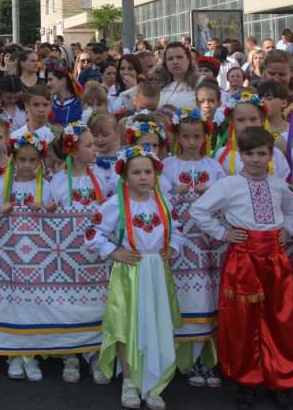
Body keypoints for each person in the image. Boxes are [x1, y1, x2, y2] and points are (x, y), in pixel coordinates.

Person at [190, 126, 293, 409]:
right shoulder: (229, 185)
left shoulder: (278, 185)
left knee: (279, 318)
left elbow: (292, 211)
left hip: (274, 260)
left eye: (261, 153)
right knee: (243, 321)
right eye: (249, 153)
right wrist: (224, 234)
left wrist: (287, 228)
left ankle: (279, 378)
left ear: (271, 156)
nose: (255, 159)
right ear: (241, 155)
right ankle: (246, 379)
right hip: (243, 260)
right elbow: (199, 210)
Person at [86, 146, 186, 410]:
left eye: (148, 172)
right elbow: (92, 233)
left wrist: (173, 247)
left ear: (156, 174)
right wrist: (112, 251)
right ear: (125, 176)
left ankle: (155, 384)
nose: (143, 177)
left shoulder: (164, 203)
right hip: (130, 272)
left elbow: (177, 230)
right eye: (136, 172)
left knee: (156, 323)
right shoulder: (115, 205)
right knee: (127, 325)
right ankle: (130, 381)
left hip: (157, 271)